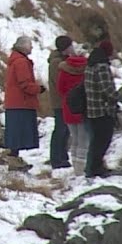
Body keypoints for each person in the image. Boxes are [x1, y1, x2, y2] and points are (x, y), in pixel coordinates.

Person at [82, 21, 119, 178]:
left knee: (96, 140)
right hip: (102, 109)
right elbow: (107, 89)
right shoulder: (102, 66)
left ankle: (92, 167)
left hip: (92, 108)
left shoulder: (90, 64)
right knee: (103, 140)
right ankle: (94, 169)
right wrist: (117, 98)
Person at [4, 36, 46, 157]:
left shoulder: (15, 60)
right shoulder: (21, 62)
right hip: (22, 103)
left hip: (14, 103)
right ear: (22, 46)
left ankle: (13, 160)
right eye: (30, 44)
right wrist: (39, 89)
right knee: (18, 136)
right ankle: (14, 161)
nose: (31, 47)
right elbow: (25, 84)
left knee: (14, 136)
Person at [46, 35, 80, 169]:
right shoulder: (56, 63)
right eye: (71, 46)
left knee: (65, 130)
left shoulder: (62, 60)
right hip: (59, 101)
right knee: (60, 129)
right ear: (66, 48)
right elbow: (62, 79)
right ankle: (56, 158)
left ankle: (62, 156)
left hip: (65, 100)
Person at [57, 48, 89, 170]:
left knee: (74, 138)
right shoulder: (87, 70)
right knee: (83, 139)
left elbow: (60, 89)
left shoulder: (64, 70)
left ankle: (76, 167)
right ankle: (82, 168)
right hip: (83, 107)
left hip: (68, 106)